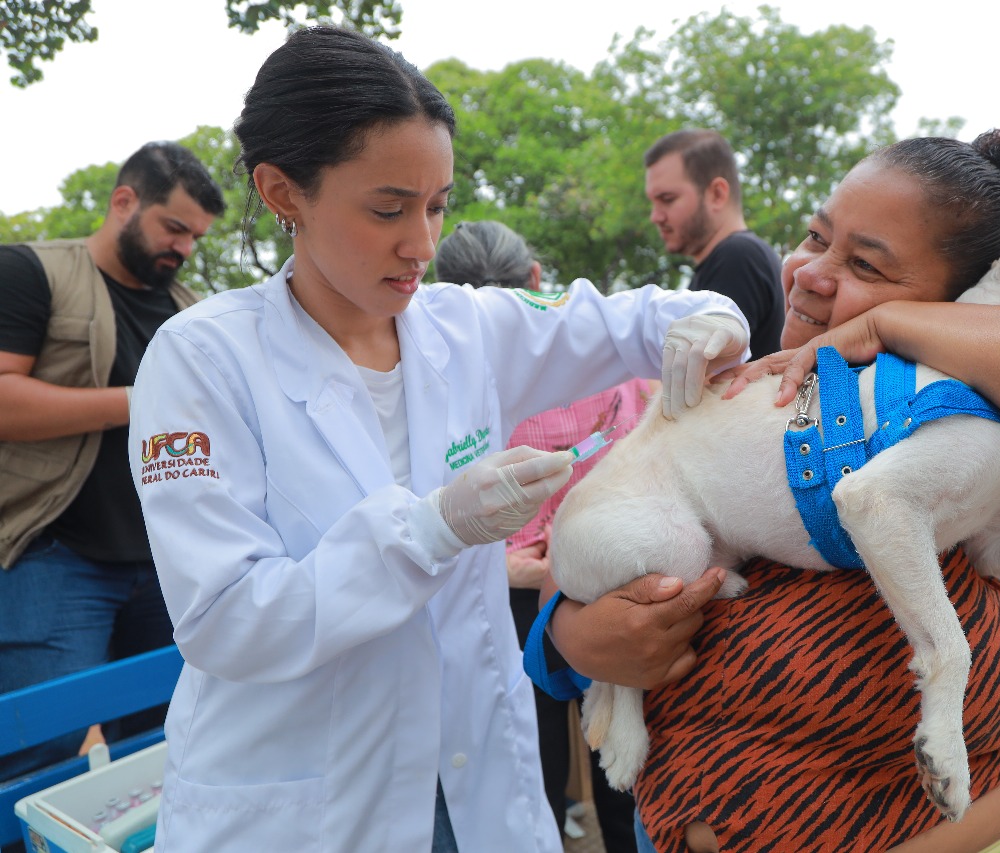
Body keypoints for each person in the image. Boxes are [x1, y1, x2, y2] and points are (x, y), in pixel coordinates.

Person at [126, 26, 749, 853]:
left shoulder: (464, 328)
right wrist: (435, 528)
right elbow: (229, 620)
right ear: (283, 191)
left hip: (472, 779)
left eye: (437, 205)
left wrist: (714, 322)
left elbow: (641, 318)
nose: (421, 243)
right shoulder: (204, 358)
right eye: (388, 208)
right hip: (306, 802)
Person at [537, 112, 1000, 851]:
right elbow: (570, 570)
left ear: (960, 307)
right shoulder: (743, 386)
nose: (809, 271)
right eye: (814, 236)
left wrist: (887, 327)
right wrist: (574, 637)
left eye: (868, 266)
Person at [0, 141, 224, 780]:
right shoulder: (28, 272)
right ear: (124, 201)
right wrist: (142, 400)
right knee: (41, 744)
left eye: (195, 237)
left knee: (176, 733)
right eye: (174, 227)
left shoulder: (190, 312)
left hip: (167, 561)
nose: (183, 248)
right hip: (52, 557)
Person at [434, 219, 645, 852]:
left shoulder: (446, 386)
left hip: (510, 604)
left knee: (532, 772)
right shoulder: (604, 366)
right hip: (614, 590)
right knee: (624, 765)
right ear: (535, 280)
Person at [644, 129, 785, 359]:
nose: (655, 217)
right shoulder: (730, 259)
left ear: (717, 194)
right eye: (653, 203)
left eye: (667, 200)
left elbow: (700, 378)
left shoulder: (737, 257)